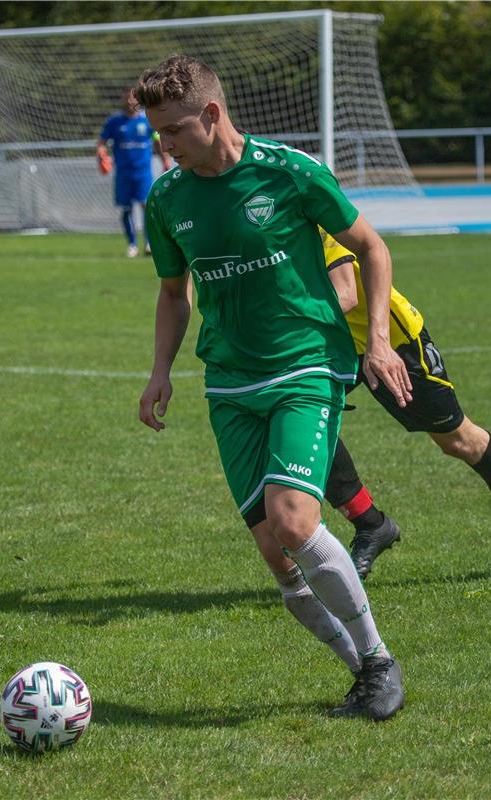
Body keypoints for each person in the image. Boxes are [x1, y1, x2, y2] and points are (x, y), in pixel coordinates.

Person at [135, 55, 410, 721]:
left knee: (294, 522)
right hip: (230, 381)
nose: (163, 146)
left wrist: (376, 338)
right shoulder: (167, 200)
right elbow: (174, 294)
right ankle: (362, 672)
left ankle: (378, 661)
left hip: (305, 363)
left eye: (172, 130)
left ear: (212, 113)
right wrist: (160, 370)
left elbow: (371, 247)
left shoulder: (288, 171)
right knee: (273, 550)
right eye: (156, 135)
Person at [320, 228, 491, 579]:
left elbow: (346, 293)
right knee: (298, 418)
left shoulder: (309, 207)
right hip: (330, 342)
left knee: (458, 441)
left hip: (390, 342)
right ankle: (370, 524)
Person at [96, 87, 172, 257]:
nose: (130, 101)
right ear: (123, 99)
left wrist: (165, 160)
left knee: (147, 207)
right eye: (127, 98)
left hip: (143, 173)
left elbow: (157, 141)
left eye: (133, 98)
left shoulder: (146, 121)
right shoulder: (114, 122)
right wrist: (101, 154)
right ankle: (132, 245)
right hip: (123, 173)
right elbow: (101, 142)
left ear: (137, 100)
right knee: (126, 209)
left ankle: (148, 243)